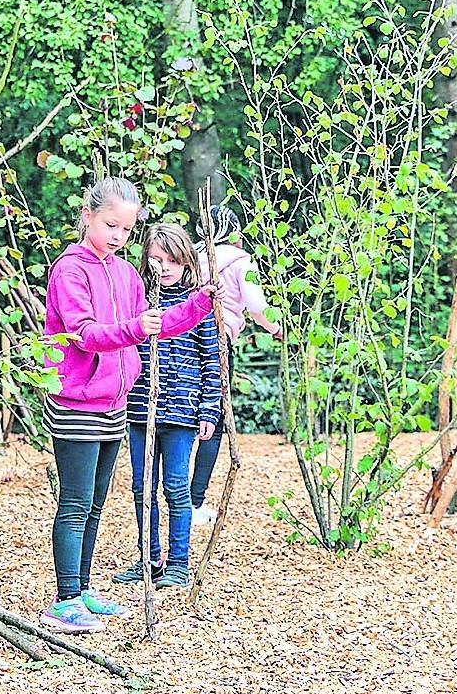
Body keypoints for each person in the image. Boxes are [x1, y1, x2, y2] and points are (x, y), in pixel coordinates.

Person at [40, 179, 215, 634]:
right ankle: (64, 600)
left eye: (126, 229)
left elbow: (153, 326)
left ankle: (81, 589)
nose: (118, 235)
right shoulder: (70, 271)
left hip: (114, 401)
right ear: (88, 216)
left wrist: (200, 305)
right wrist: (136, 328)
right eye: (110, 225)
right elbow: (86, 332)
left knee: (97, 502)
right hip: (76, 401)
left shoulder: (126, 274)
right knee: (76, 501)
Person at [110, 224, 222, 590]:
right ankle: (149, 558)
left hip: (182, 412)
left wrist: (209, 409)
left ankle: (178, 562)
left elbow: (212, 360)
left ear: (186, 260)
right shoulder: (137, 300)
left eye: (173, 260)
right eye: (158, 259)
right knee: (143, 487)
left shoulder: (199, 304)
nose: (166, 267)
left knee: (176, 486)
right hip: (141, 409)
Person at [189, 204, 283, 525]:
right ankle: (194, 502)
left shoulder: (190, 256)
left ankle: (174, 498)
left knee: (183, 417)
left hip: (183, 339)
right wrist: (277, 328)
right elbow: (257, 305)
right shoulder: (243, 261)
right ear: (234, 231)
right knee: (211, 420)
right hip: (216, 340)